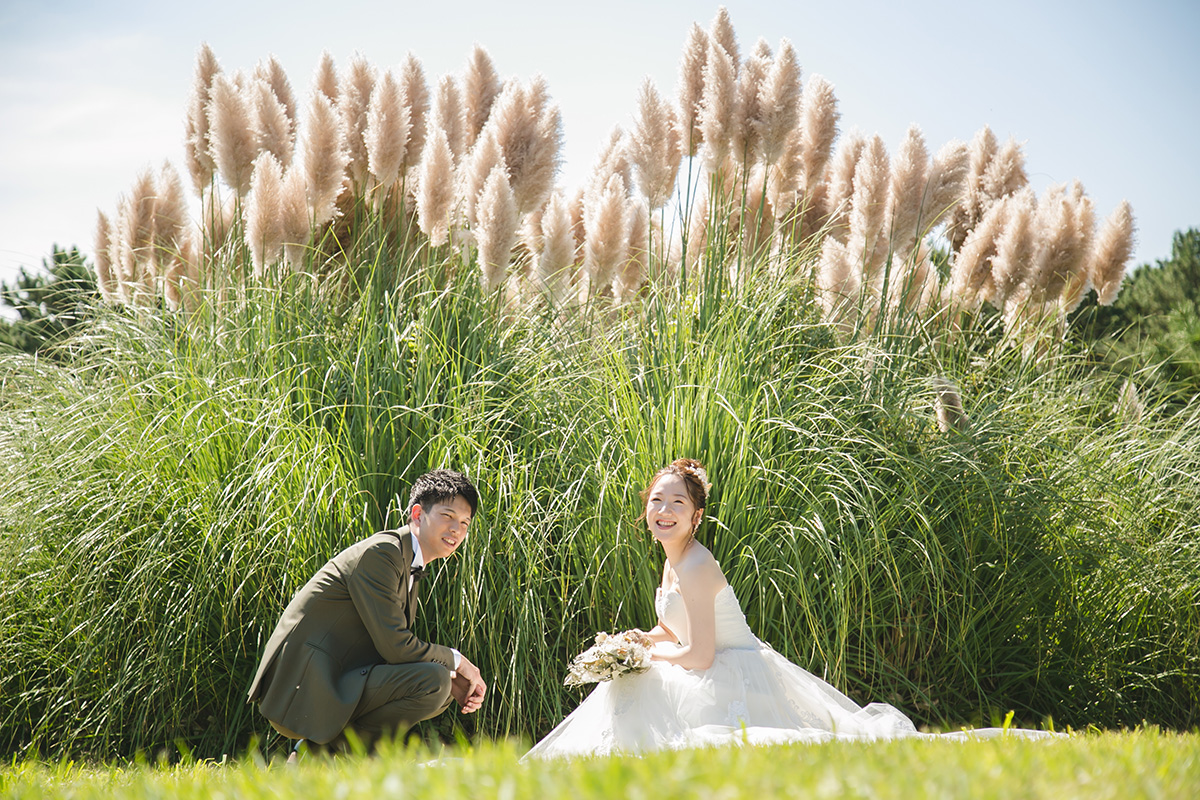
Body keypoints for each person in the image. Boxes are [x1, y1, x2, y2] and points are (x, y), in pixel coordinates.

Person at [526, 458, 1058, 758]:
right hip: (708, 661)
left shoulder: (695, 565)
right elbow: (672, 627)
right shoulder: (671, 559)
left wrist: (645, 661)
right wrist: (641, 640)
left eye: (677, 504)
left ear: (697, 516)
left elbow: (703, 654)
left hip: (733, 672)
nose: (663, 511)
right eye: (656, 501)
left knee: (641, 684)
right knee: (633, 677)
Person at [247, 469, 487, 757]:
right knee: (434, 680)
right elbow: (397, 647)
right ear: (417, 514)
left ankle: (320, 756)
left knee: (441, 683)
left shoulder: (408, 561)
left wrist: (451, 676)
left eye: (464, 523)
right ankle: (330, 757)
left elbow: (391, 651)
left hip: (333, 677)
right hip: (303, 687)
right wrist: (458, 662)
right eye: (447, 516)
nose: (456, 530)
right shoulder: (383, 554)